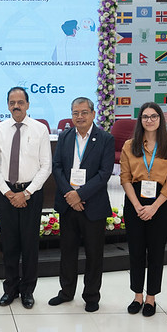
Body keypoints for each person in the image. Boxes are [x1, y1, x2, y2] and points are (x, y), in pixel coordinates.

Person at [0, 87, 51, 309]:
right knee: (10, 244)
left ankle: (28, 291)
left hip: (31, 194)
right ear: (7, 105)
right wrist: (8, 193)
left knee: (30, 245)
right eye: (12, 102)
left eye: (20, 102)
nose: (16, 106)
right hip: (6, 194)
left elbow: (46, 166)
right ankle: (10, 289)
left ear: (28, 104)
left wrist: (27, 193)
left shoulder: (40, 129)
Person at [49, 97, 114, 312]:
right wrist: (70, 193)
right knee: (67, 252)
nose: (79, 117)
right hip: (68, 204)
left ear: (93, 114)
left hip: (92, 205)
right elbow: (56, 167)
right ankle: (66, 292)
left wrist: (80, 195)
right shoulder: (65, 136)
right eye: (75, 112)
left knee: (94, 254)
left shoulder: (105, 138)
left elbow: (104, 173)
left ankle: (92, 295)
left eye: (84, 112)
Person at [119, 102, 167, 317]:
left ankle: (151, 298)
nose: (149, 120)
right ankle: (137, 295)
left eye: (154, 116)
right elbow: (125, 178)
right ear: (140, 121)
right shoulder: (130, 145)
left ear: (160, 120)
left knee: (156, 252)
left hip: (159, 203)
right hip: (134, 201)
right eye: (145, 117)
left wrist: (153, 207)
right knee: (136, 252)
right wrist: (137, 206)